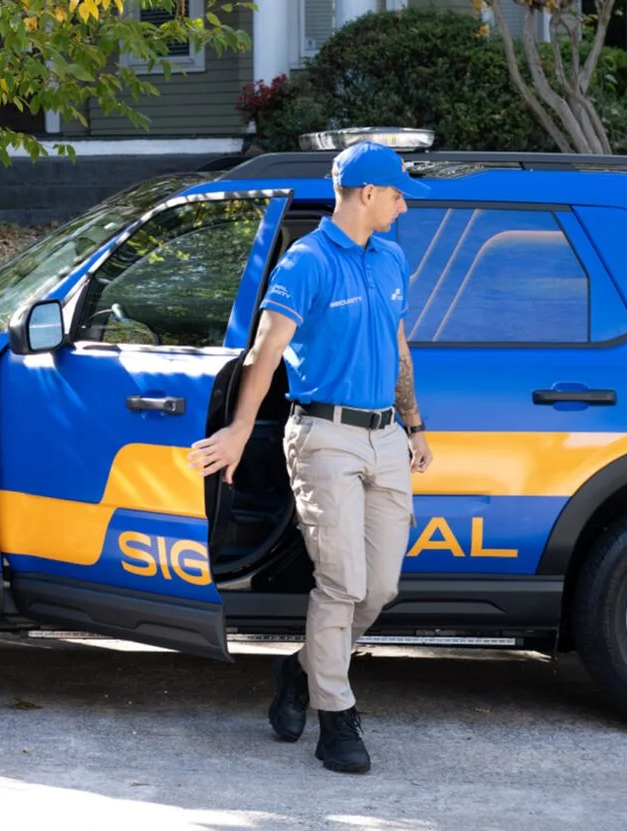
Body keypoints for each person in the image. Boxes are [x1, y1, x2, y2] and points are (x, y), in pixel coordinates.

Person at [186, 140, 433, 775]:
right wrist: (241, 430)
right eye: (398, 193)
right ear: (367, 194)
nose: (405, 204)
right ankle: (337, 717)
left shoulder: (391, 259)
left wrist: (413, 423)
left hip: (385, 439)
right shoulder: (306, 262)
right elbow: (264, 354)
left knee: (379, 588)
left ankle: (300, 670)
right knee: (342, 582)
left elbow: (399, 348)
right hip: (324, 436)